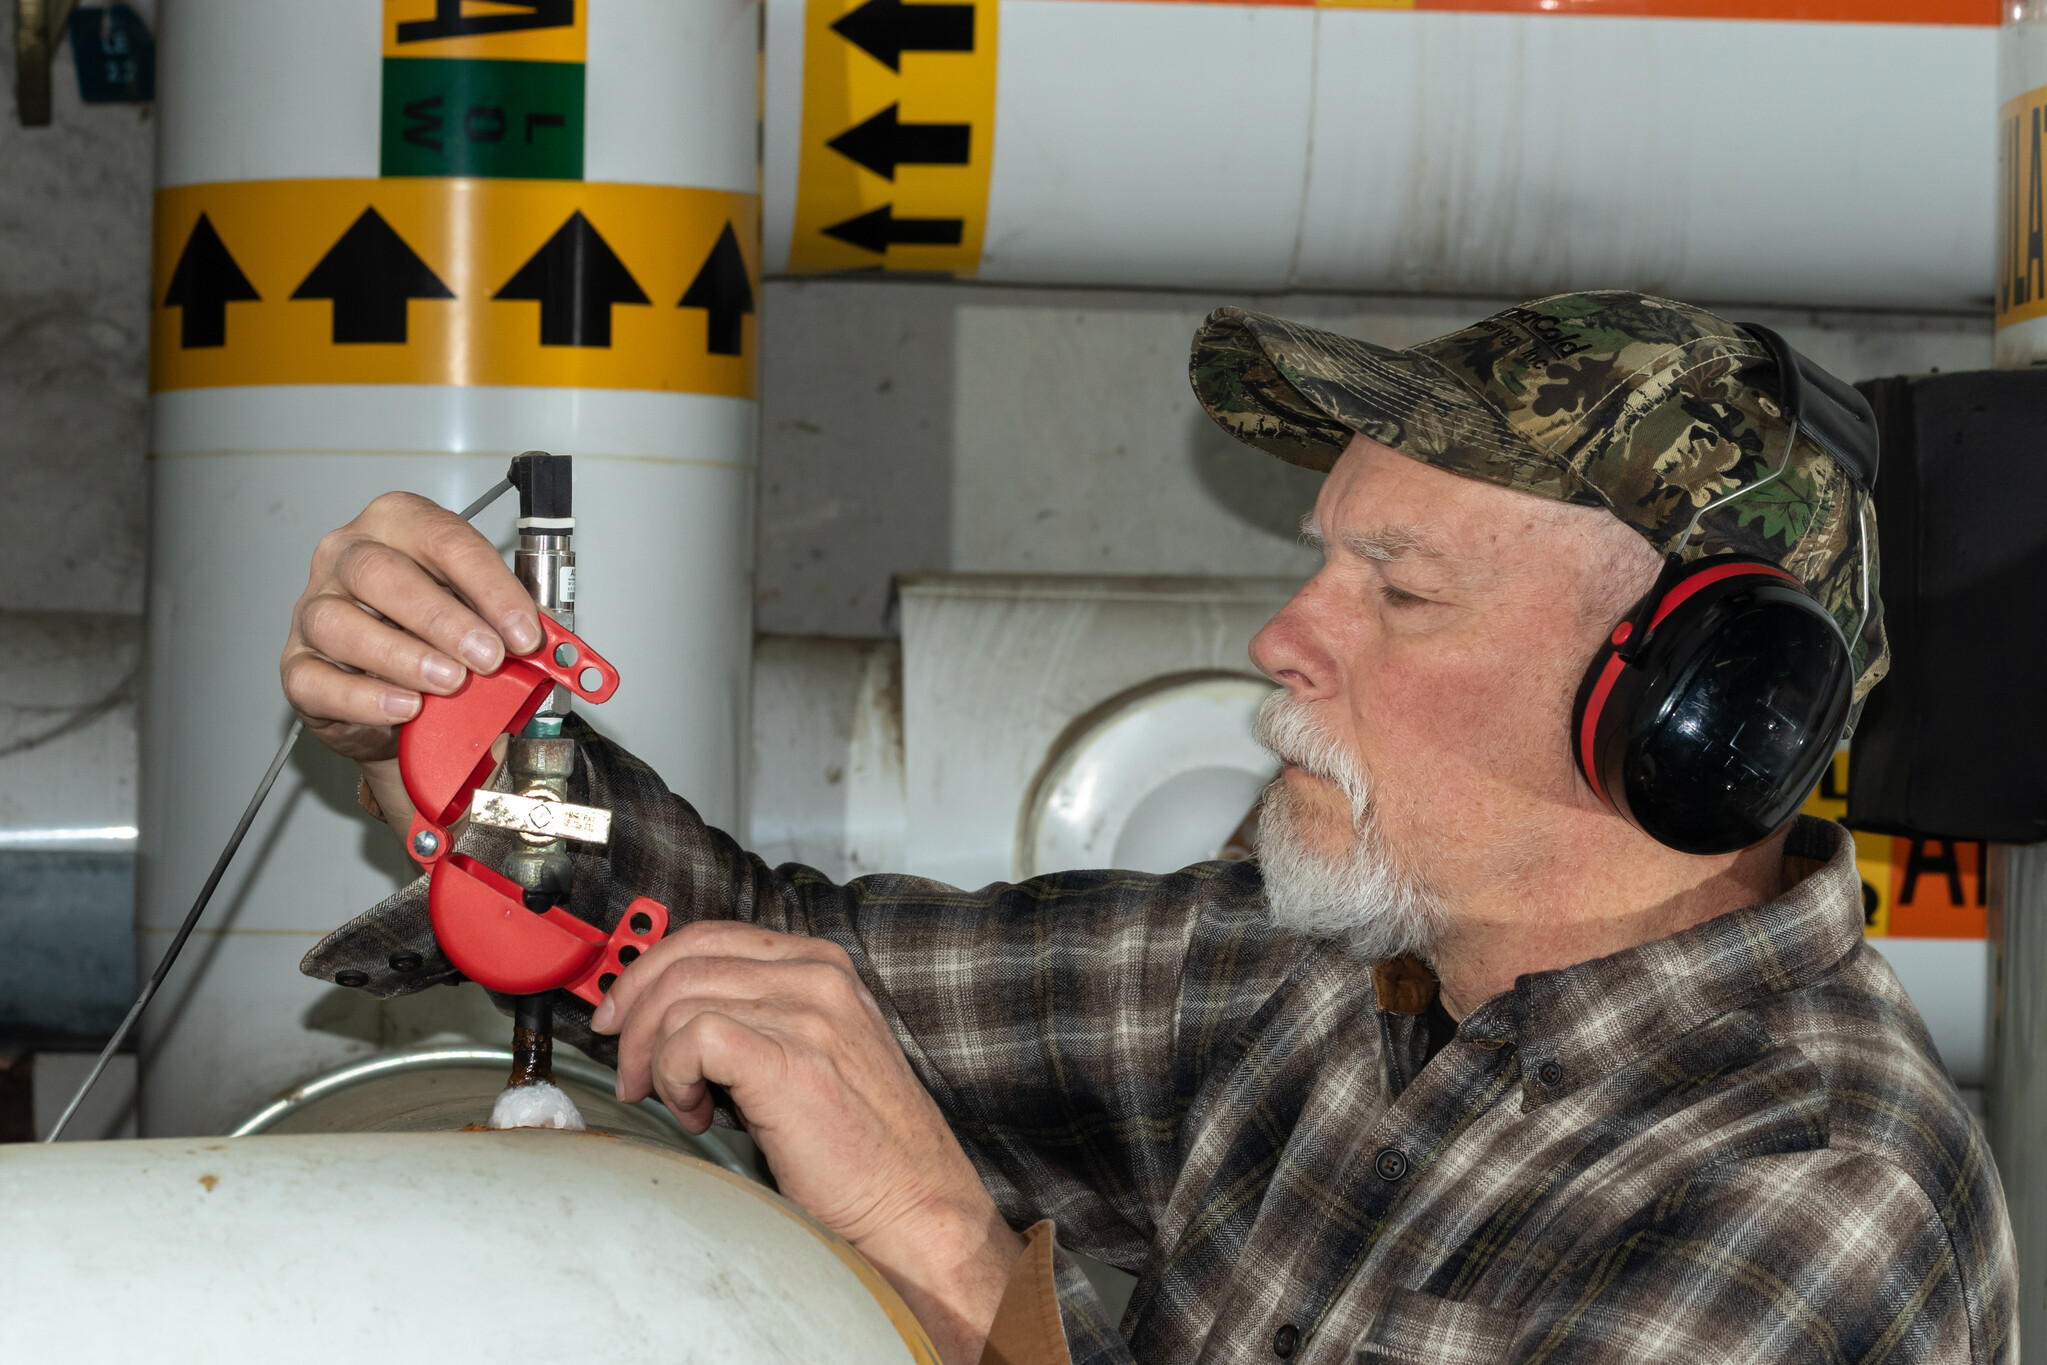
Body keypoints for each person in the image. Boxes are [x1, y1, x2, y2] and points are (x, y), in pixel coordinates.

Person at [285, 291, 2017, 1364]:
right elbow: (736, 951)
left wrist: (948, 1258)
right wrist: (441, 726)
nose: (1287, 633)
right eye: (1321, 553)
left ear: (1689, 712)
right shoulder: (1314, 970)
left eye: (1394, 589)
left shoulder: (1813, 1203)